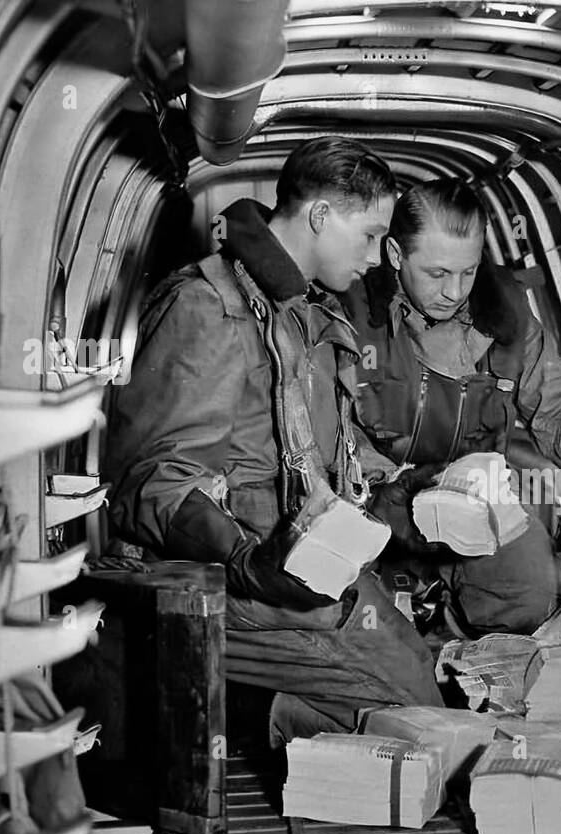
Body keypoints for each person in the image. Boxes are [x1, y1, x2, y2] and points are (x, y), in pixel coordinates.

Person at [104, 136, 442, 746]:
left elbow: (321, 445)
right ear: (319, 216)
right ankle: (251, 714)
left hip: (305, 564)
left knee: (423, 684)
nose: (377, 257)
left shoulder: (298, 310)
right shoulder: (209, 308)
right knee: (419, 724)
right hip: (240, 579)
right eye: (369, 235)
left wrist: (403, 479)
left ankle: (264, 714)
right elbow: (152, 482)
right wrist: (245, 563)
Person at [344, 178, 561, 635]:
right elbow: (328, 425)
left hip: (473, 505)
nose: (454, 291)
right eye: (437, 273)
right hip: (375, 506)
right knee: (362, 628)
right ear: (396, 256)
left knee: (531, 589)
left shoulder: (508, 319)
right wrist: (381, 487)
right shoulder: (350, 314)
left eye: (468, 272)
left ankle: (472, 673)